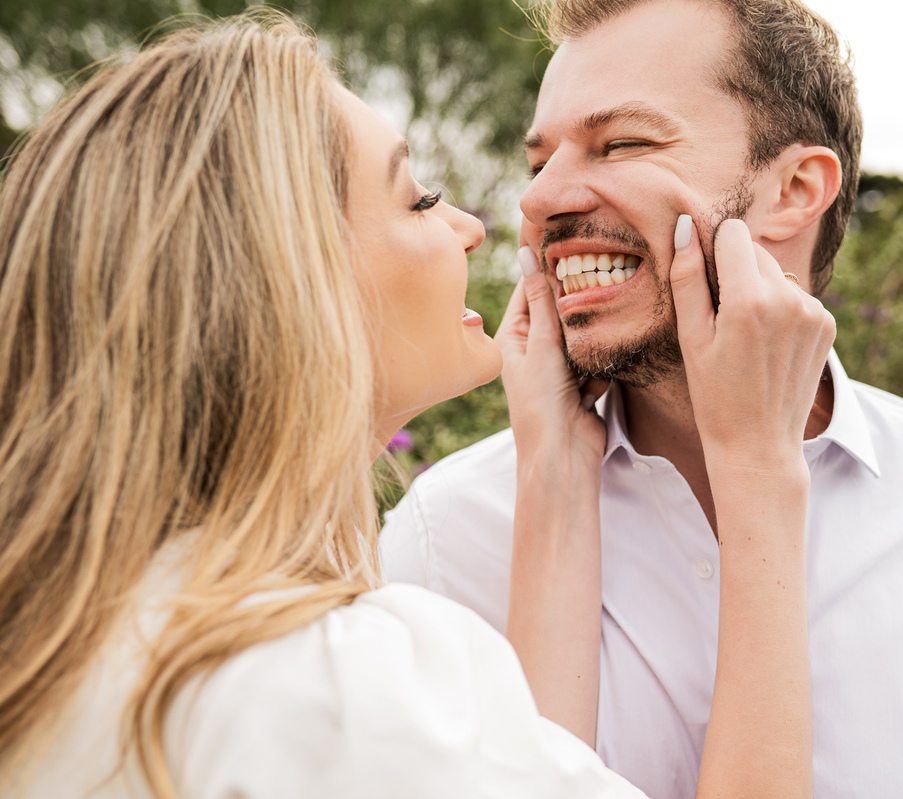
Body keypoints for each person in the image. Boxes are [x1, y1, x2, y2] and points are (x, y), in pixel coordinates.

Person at [0, 12, 833, 799]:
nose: (496, 219)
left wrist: (555, 468)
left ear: (799, 187)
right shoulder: (340, 677)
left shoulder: (92, 637)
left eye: (621, 142)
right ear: (291, 284)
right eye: (419, 198)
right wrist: (760, 467)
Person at [380, 0, 903, 796]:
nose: (540, 200)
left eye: (621, 143)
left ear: (795, 189)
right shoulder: (443, 545)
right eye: (540, 160)